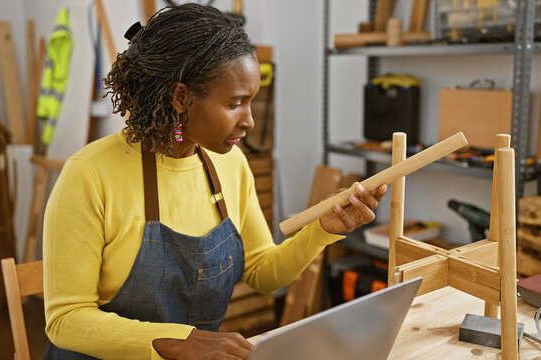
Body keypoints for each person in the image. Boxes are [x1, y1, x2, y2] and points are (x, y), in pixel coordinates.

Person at [42, 4, 387, 360]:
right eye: (236, 103)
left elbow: (262, 273)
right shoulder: (89, 174)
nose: (249, 121)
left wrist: (321, 229)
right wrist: (178, 341)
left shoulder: (231, 164)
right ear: (181, 97)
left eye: (251, 102)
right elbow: (66, 319)